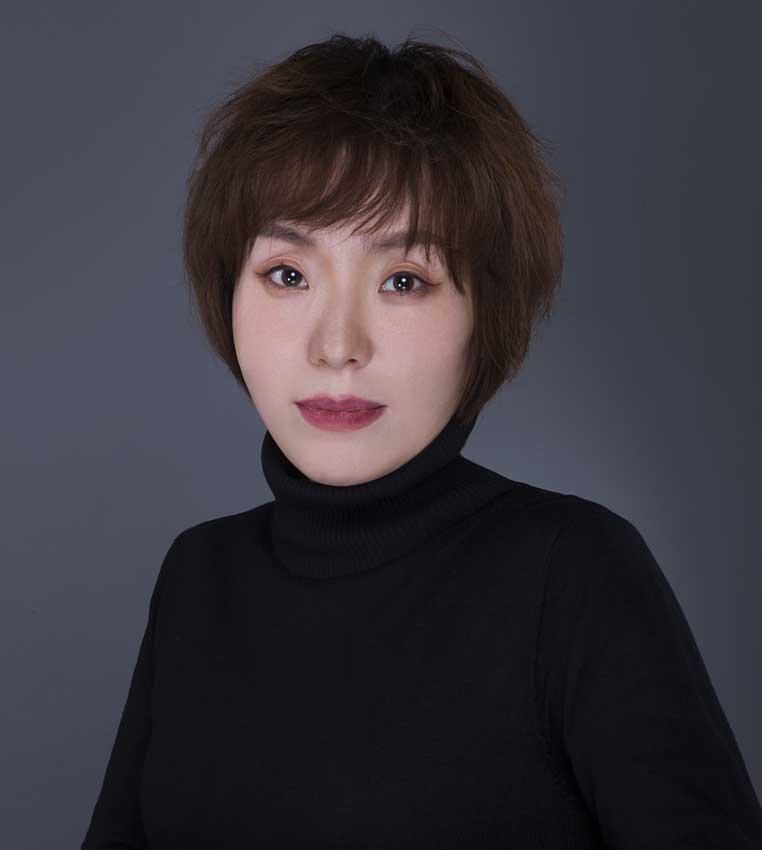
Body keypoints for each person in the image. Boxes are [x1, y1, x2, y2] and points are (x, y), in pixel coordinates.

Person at [81, 32, 762, 849]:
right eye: (288, 275)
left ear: (486, 316)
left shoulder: (575, 576)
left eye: (404, 280)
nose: (337, 346)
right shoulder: (198, 577)